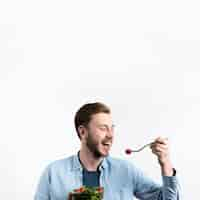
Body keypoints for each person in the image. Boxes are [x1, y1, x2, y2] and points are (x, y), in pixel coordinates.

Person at [34, 102, 181, 200]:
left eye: (112, 128)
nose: (110, 135)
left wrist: (165, 163)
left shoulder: (126, 170)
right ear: (83, 132)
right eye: (103, 128)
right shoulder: (53, 173)